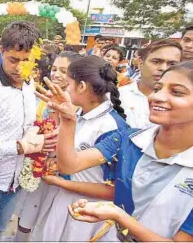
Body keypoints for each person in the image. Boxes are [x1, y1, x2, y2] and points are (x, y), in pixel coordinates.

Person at [38, 61, 193, 242]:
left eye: (177, 92)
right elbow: (70, 165)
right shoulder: (129, 139)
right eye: (158, 89)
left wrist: (119, 216)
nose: (157, 97)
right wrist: (68, 119)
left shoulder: (115, 127)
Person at [0, 21, 57, 242]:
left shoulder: (28, 85)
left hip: (14, 183)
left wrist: (39, 134)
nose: (18, 68)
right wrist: (19, 146)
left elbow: (26, 126)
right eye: (13, 59)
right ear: (2, 51)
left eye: (26, 61)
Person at [31, 56, 128, 241]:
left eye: (68, 83)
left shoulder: (111, 127)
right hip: (65, 200)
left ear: (82, 86)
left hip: (89, 210)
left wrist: (59, 181)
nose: (65, 89)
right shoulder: (79, 113)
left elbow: (113, 189)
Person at [14, 51, 83, 242]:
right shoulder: (43, 98)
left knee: (50, 220)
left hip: (61, 172)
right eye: (54, 69)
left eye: (63, 71)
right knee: (27, 211)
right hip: (38, 167)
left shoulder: (77, 104)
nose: (56, 74)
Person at [118, 39, 182, 129]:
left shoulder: (184, 104)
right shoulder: (117, 96)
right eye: (156, 62)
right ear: (140, 64)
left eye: (172, 64)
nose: (163, 68)